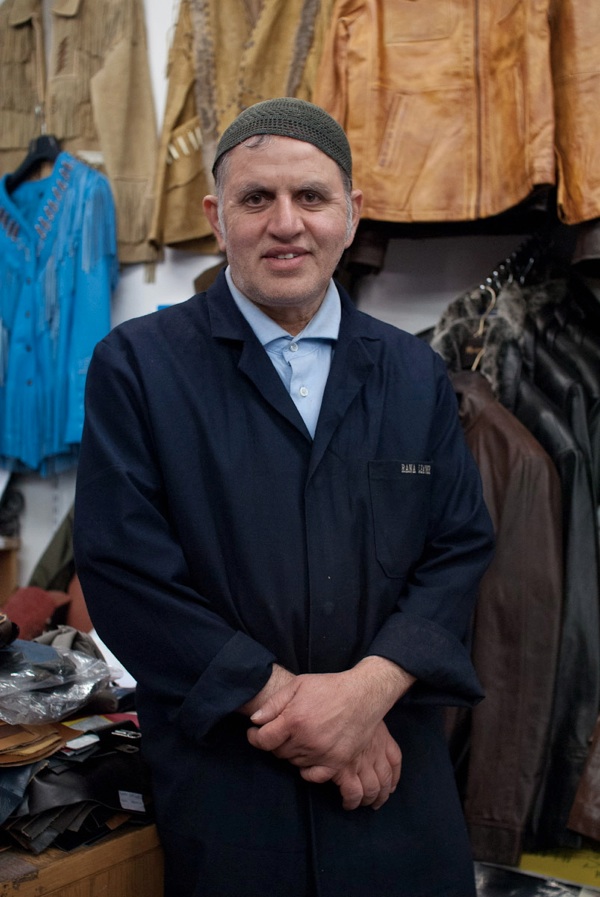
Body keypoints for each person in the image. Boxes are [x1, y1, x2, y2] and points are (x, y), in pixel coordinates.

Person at [73, 97, 494, 897]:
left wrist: (364, 696)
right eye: (256, 198)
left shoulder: (411, 371)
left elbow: (459, 546)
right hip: (233, 771)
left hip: (390, 768)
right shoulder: (139, 366)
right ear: (216, 215)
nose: (286, 223)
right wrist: (293, 708)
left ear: (352, 212)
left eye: (312, 197)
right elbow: (123, 566)